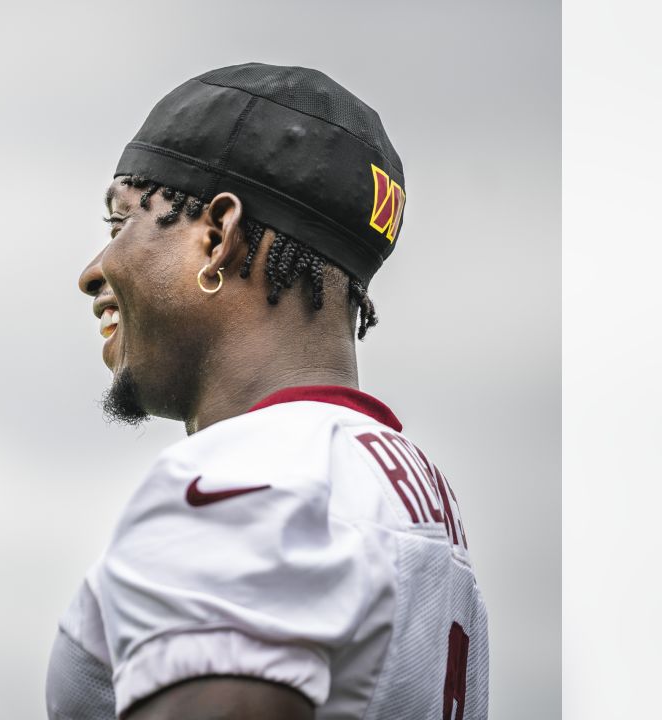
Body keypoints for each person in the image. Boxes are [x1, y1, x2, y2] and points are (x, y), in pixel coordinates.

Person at [46, 64, 488, 720]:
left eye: (120, 226)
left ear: (216, 234)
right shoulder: (413, 488)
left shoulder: (241, 481)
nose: (93, 272)